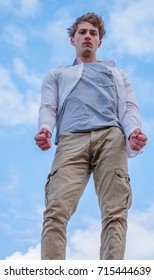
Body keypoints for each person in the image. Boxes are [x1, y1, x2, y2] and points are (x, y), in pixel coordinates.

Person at [34, 12, 147, 260]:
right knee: (55, 210)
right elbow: (48, 107)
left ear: (99, 42)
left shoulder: (117, 74)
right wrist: (45, 128)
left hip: (111, 137)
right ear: (72, 40)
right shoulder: (58, 74)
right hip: (71, 140)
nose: (87, 36)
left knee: (115, 212)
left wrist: (133, 132)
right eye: (82, 32)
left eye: (93, 33)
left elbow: (129, 108)